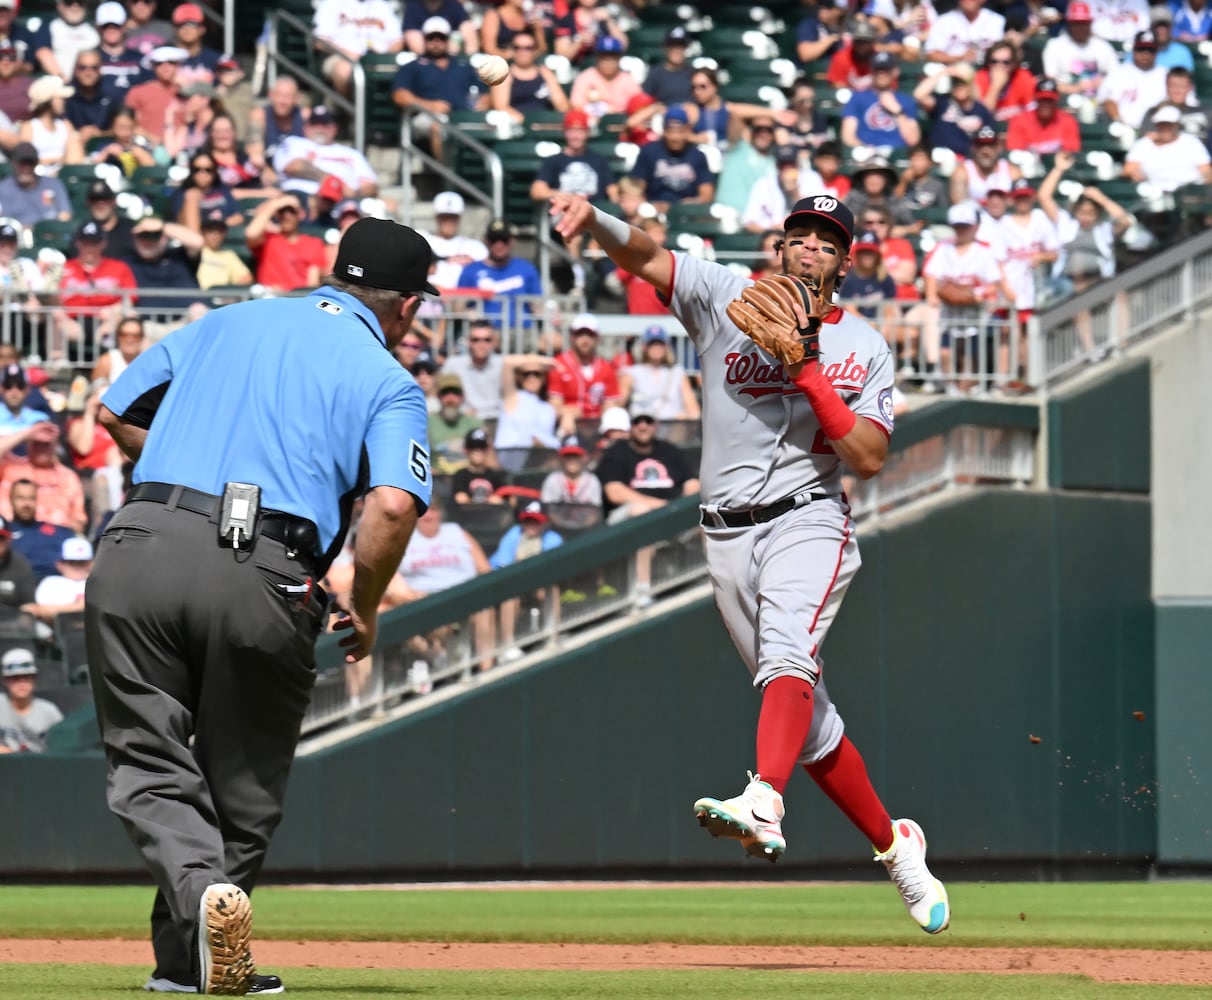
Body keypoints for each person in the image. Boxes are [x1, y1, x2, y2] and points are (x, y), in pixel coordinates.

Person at [549, 188, 951, 933]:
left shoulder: (862, 344)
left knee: (785, 654)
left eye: (827, 242)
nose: (811, 249)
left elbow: (866, 456)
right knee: (812, 723)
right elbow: (644, 254)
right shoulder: (722, 296)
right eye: (801, 236)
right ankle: (896, 847)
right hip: (724, 535)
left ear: (845, 262)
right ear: (778, 245)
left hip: (809, 518)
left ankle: (763, 798)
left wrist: (806, 371)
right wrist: (593, 219)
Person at [84, 216, 435, 995]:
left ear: (335, 274)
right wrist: (366, 604)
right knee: (239, 785)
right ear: (407, 306)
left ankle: (187, 959)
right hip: (265, 566)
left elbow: (112, 414)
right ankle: (214, 909)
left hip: (140, 540)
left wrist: (185, 471)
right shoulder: (389, 381)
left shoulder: (226, 318)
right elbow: (391, 507)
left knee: (148, 759)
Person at [489, 499, 563, 661]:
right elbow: (504, 568)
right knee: (510, 593)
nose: (531, 525)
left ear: (545, 523)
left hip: (536, 582)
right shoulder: (513, 535)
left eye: (536, 521)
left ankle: (553, 635)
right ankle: (507, 645)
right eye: (528, 520)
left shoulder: (552, 539)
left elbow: (551, 570)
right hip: (507, 583)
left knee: (551, 590)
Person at [272, 105, 379, 200]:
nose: (320, 128)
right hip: (304, 196)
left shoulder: (352, 154)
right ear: (306, 127)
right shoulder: (295, 142)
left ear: (335, 128)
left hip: (345, 202)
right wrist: (335, 184)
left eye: (325, 124)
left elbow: (370, 186)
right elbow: (295, 167)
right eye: (314, 124)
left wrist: (356, 193)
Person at [0, 421, 87, 533]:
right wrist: (27, 432)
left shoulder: (68, 477)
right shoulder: (11, 468)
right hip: (14, 534)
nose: (41, 449)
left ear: (55, 446)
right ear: (29, 444)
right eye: (37, 443)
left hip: (56, 538)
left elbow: (78, 520)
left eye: (46, 444)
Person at [456, 220, 542, 332]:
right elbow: (457, 306)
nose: (499, 245)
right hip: (486, 334)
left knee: (556, 341)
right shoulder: (471, 270)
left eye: (504, 240)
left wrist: (549, 313)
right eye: (494, 240)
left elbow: (538, 304)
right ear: (486, 241)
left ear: (512, 241)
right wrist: (468, 314)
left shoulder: (526, 269)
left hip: (522, 333)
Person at [547, 312, 623, 437]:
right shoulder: (559, 365)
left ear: (597, 338)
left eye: (590, 335)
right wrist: (569, 413)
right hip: (568, 424)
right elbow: (555, 406)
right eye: (580, 334)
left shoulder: (606, 367)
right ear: (572, 337)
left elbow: (610, 404)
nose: (585, 339)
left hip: (598, 425)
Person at [627, 107, 716, 213]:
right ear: (664, 131)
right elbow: (635, 189)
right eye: (671, 131)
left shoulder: (698, 156)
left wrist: (687, 204)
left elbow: (706, 195)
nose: (675, 137)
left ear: (688, 131)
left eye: (680, 132)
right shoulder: (649, 152)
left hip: (685, 213)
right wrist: (648, 205)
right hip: (652, 210)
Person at [313, 0, 403, 97]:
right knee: (343, 70)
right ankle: (349, 110)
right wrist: (348, 53)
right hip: (343, 57)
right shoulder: (332, 3)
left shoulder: (381, 5)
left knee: (406, 72)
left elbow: (397, 41)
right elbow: (320, 42)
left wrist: (385, 58)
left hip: (379, 58)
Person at [247, 192, 328, 293]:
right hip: (269, 298)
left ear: (300, 214)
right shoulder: (268, 239)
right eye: (282, 211)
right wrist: (275, 205)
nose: (287, 215)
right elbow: (251, 234)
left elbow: (312, 282)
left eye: (291, 211)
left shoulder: (314, 243)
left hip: (297, 299)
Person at [839, 52, 921, 151]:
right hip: (867, 154)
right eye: (878, 70)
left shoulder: (906, 100)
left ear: (895, 72)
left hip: (897, 154)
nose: (881, 74)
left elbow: (913, 139)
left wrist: (898, 111)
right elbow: (847, 136)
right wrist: (865, 149)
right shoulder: (858, 98)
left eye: (886, 70)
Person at [914, 62, 997, 157]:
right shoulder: (942, 103)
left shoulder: (981, 110)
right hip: (939, 156)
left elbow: (989, 140)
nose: (959, 86)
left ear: (971, 85)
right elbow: (918, 95)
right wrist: (943, 73)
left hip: (967, 159)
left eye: (963, 82)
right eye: (955, 83)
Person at [1124, 103, 1212, 191]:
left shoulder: (1192, 142)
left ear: (1176, 125)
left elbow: (1206, 170)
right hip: (1154, 192)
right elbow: (1128, 169)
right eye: (1162, 124)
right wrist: (1134, 174)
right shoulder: (1143, 144)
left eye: (1169, 124)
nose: (1165, 128)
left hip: (1189, 192)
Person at [1043, 2, 1118, 102]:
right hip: (1066, 100)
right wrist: (1077, 88)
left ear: (1090, 24)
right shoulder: (1055, 45)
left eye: (1084, 23)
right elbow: (1050, 81)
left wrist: (1102, 82)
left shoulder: (1102, 46)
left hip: (1099, 101)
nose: (1080, 28)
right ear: (1069, 23)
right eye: (1076, 23)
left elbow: (1117, 75)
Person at [622, 326, 699, 422]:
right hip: (643, 426)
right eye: (652, 344)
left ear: (667, 346)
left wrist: (683, 418)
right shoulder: (632, 373)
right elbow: (619, 404)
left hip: (672, 427)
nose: (656, 347)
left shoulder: (677, 372)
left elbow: (694, 411)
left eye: (660, 343)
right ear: (644, 346)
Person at [489, 28, 567, 121]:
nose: (522, 52)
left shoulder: (545, 73)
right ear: (512, 50)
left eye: (528, 48)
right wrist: (526, 123)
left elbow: (562, 104)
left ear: (535, 50)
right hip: (517, 125)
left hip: (543, 123)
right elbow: (501, 106)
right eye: (517, 47)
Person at [7, 479, 75, 580]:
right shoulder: (4, 534)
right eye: (20, 498)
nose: (26, 504)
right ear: (11, 500)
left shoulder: (59, 533)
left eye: (31, 498)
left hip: (55, 585)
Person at [1099, 31, 1168, 131]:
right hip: (1125, 130)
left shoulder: (1166, 75)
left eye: (1150, 50)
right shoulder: (1118, 73)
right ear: (1134, 50)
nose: (1145, 53)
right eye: (1141, 49)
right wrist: (1119, 124)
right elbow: (1108, 102)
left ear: (1156, 51)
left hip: (1160, 132)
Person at [0, 649, 63, 753]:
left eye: (26, 677)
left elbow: (63, 747)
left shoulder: (49, 711)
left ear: (34, 679)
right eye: (15, 678)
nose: (21, 683)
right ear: (5, 681)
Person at [440, 319, 504, 419]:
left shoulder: (503, 364)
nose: (481, 345)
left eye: (487, 340)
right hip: (463, 419)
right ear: (468, 341)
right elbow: (440, 393)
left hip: (496, 418)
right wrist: (461, 411)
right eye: (476, 340)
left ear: (493, 342)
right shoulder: (453, 364)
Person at [0, 141, 71, 226]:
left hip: (50, 235)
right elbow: (5, 221)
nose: (26, 168)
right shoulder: (3, 188)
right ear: (14, 163)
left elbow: (65, 214)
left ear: (36, 164)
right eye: (22, 163)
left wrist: (53, 230)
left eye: (30, 163)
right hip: (17, 236)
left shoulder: (53, 184)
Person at [568, 34, 640, 118]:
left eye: (612, 57)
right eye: (604, 57)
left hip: (620, 125)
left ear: (619, 58)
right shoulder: (586, 77)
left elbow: (639, 106)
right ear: (597, 58)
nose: (608, 62)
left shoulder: (627, 79)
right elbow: (575, 106)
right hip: (591, 125)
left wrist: (612, 112)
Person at [1005, 78, 1081, 156]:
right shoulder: (1020, 120)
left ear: (1056, 101)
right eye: (1042, 100)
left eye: (1049, 100)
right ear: (1035, 100)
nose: (1046, 105)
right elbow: (1015, 154)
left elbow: (1070, 153)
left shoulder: (1067, 120)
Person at [429, 376, 484, 476]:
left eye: (455, 393)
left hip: (469, 478)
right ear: (438, 396)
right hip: (438, 479)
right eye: (445, 393)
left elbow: (488, 460)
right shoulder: (428, 423)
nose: (450, 399)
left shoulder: (474, 423)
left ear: (462, 397)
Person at [29, 534, 92, 621]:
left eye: (83, 562)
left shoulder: (98, 583)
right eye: (72, 562)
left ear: (92, 563)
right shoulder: (50, 583)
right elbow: (42, 611)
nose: (78, 567)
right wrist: (80, 606)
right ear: (59, 564)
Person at [540, 434, 602, 507]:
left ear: (584, 458)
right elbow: (547, 508)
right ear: (561, 459)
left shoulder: (592, 480)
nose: (572, 460)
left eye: (576, 456)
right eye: (568, 456)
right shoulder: (553, 479)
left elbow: (595, 512)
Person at [450, 426, 506, 502]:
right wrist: (487, 501)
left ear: (487, 450)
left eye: (481, 448)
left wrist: (500, 500)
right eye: (473, 447)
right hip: (468, 513)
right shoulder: (460, 475)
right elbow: (460, 498)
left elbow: (508, 499)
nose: (477, 451)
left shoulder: (495, 475)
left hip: (492, 513)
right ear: (465, 450)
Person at [642, 26, 693, 106]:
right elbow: (643, 102)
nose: (677, 49)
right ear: (665, 48)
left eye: (681, 45)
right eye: (672, 45)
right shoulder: (655, 74)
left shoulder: (694, 74)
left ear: (686, 48)